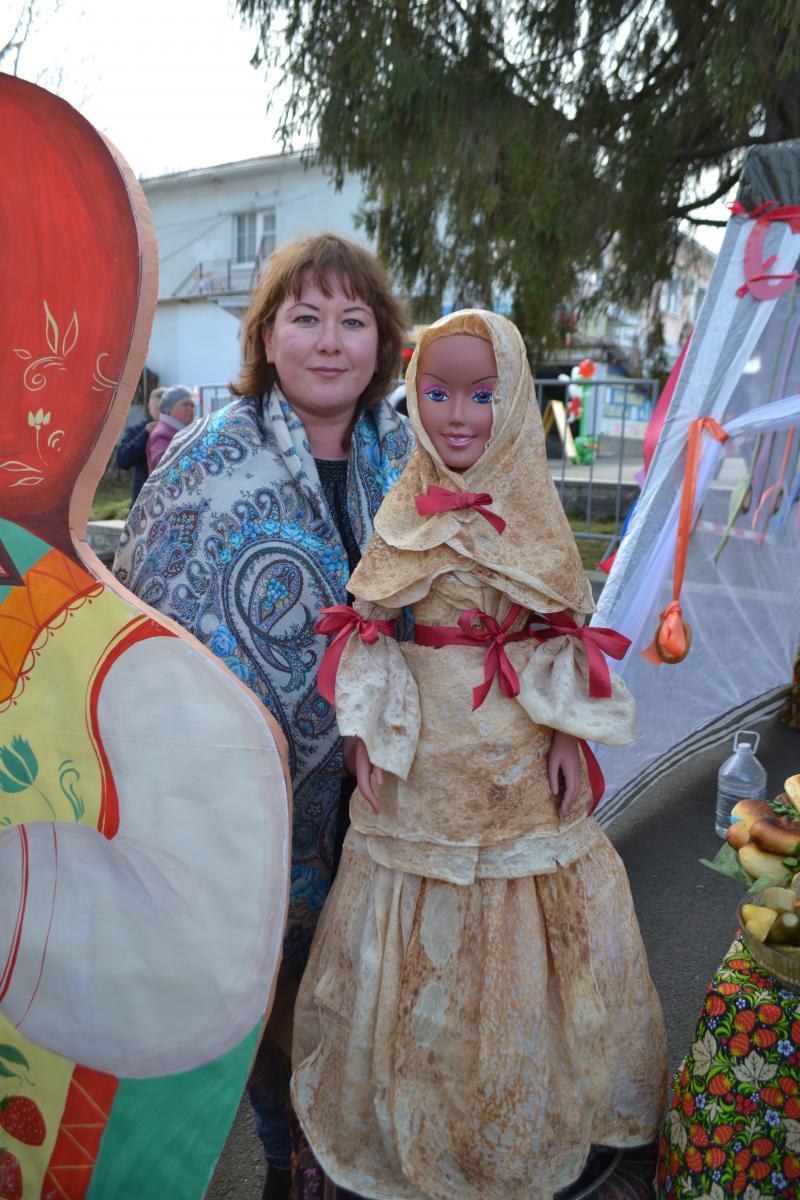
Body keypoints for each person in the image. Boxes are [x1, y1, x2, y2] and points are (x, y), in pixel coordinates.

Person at [292, 309, 667, 1199]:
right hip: (421, 766)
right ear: (416, 401)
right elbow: (371, 634)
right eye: (438, 393)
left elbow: (561, 634)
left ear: (513, 401)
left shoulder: (533, 512)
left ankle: (518, 1098)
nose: (459, 415)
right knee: (411, 933)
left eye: (483, 395)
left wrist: (570, 732)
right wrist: (362, 735)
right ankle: (410, 1107)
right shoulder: (400, 506)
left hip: (515, 764)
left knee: (526, 926)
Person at [112, 233, 414, 1196]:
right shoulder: (201, 462)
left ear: (383, 340)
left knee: (372, 992)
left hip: (384, 797)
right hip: (247, 803)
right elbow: (145, 624)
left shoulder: (412, 456)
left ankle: (353, 1156)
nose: (331, 341)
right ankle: (288, 1159)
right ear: (269, 334)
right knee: (266, 998)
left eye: (353, 320)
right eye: (307, 317)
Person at [116, 384, 164, 500]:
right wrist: (145, 434)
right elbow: (123, 461)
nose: (162, 412)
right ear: (150, 407)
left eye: (166, 408)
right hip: (144, 500)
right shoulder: (137, 430)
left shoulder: (179, 430)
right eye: (158, 408)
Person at [146, 383, 195, 470]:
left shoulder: (179, 430)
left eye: (192, 405)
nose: (190, 409)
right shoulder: (162, 434)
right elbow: (165, 468)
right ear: (170, 407)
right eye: (185, 404)